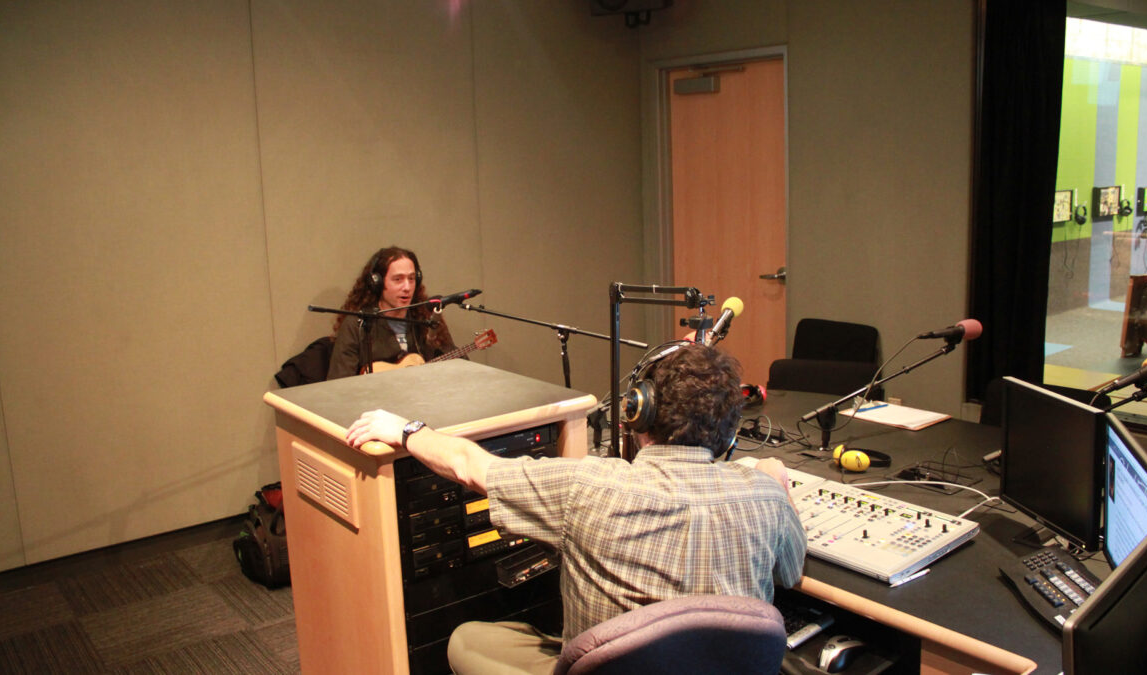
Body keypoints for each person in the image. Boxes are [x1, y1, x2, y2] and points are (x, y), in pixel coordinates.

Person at [345, 342, 806, 674]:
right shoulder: (764, 496)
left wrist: (407, 430)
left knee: (467, 639)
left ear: (639, 414)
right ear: (729, 434)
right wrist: (775, 481)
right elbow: (790, 572)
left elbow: (469, 465)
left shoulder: (586, 485)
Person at [326, 246, 457, 380]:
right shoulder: (357, 324)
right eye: (398, 279)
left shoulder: (428, 318)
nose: (407, 287)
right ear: (377, 283)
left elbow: (459, 365)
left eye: (411, 279)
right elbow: (338, 382)